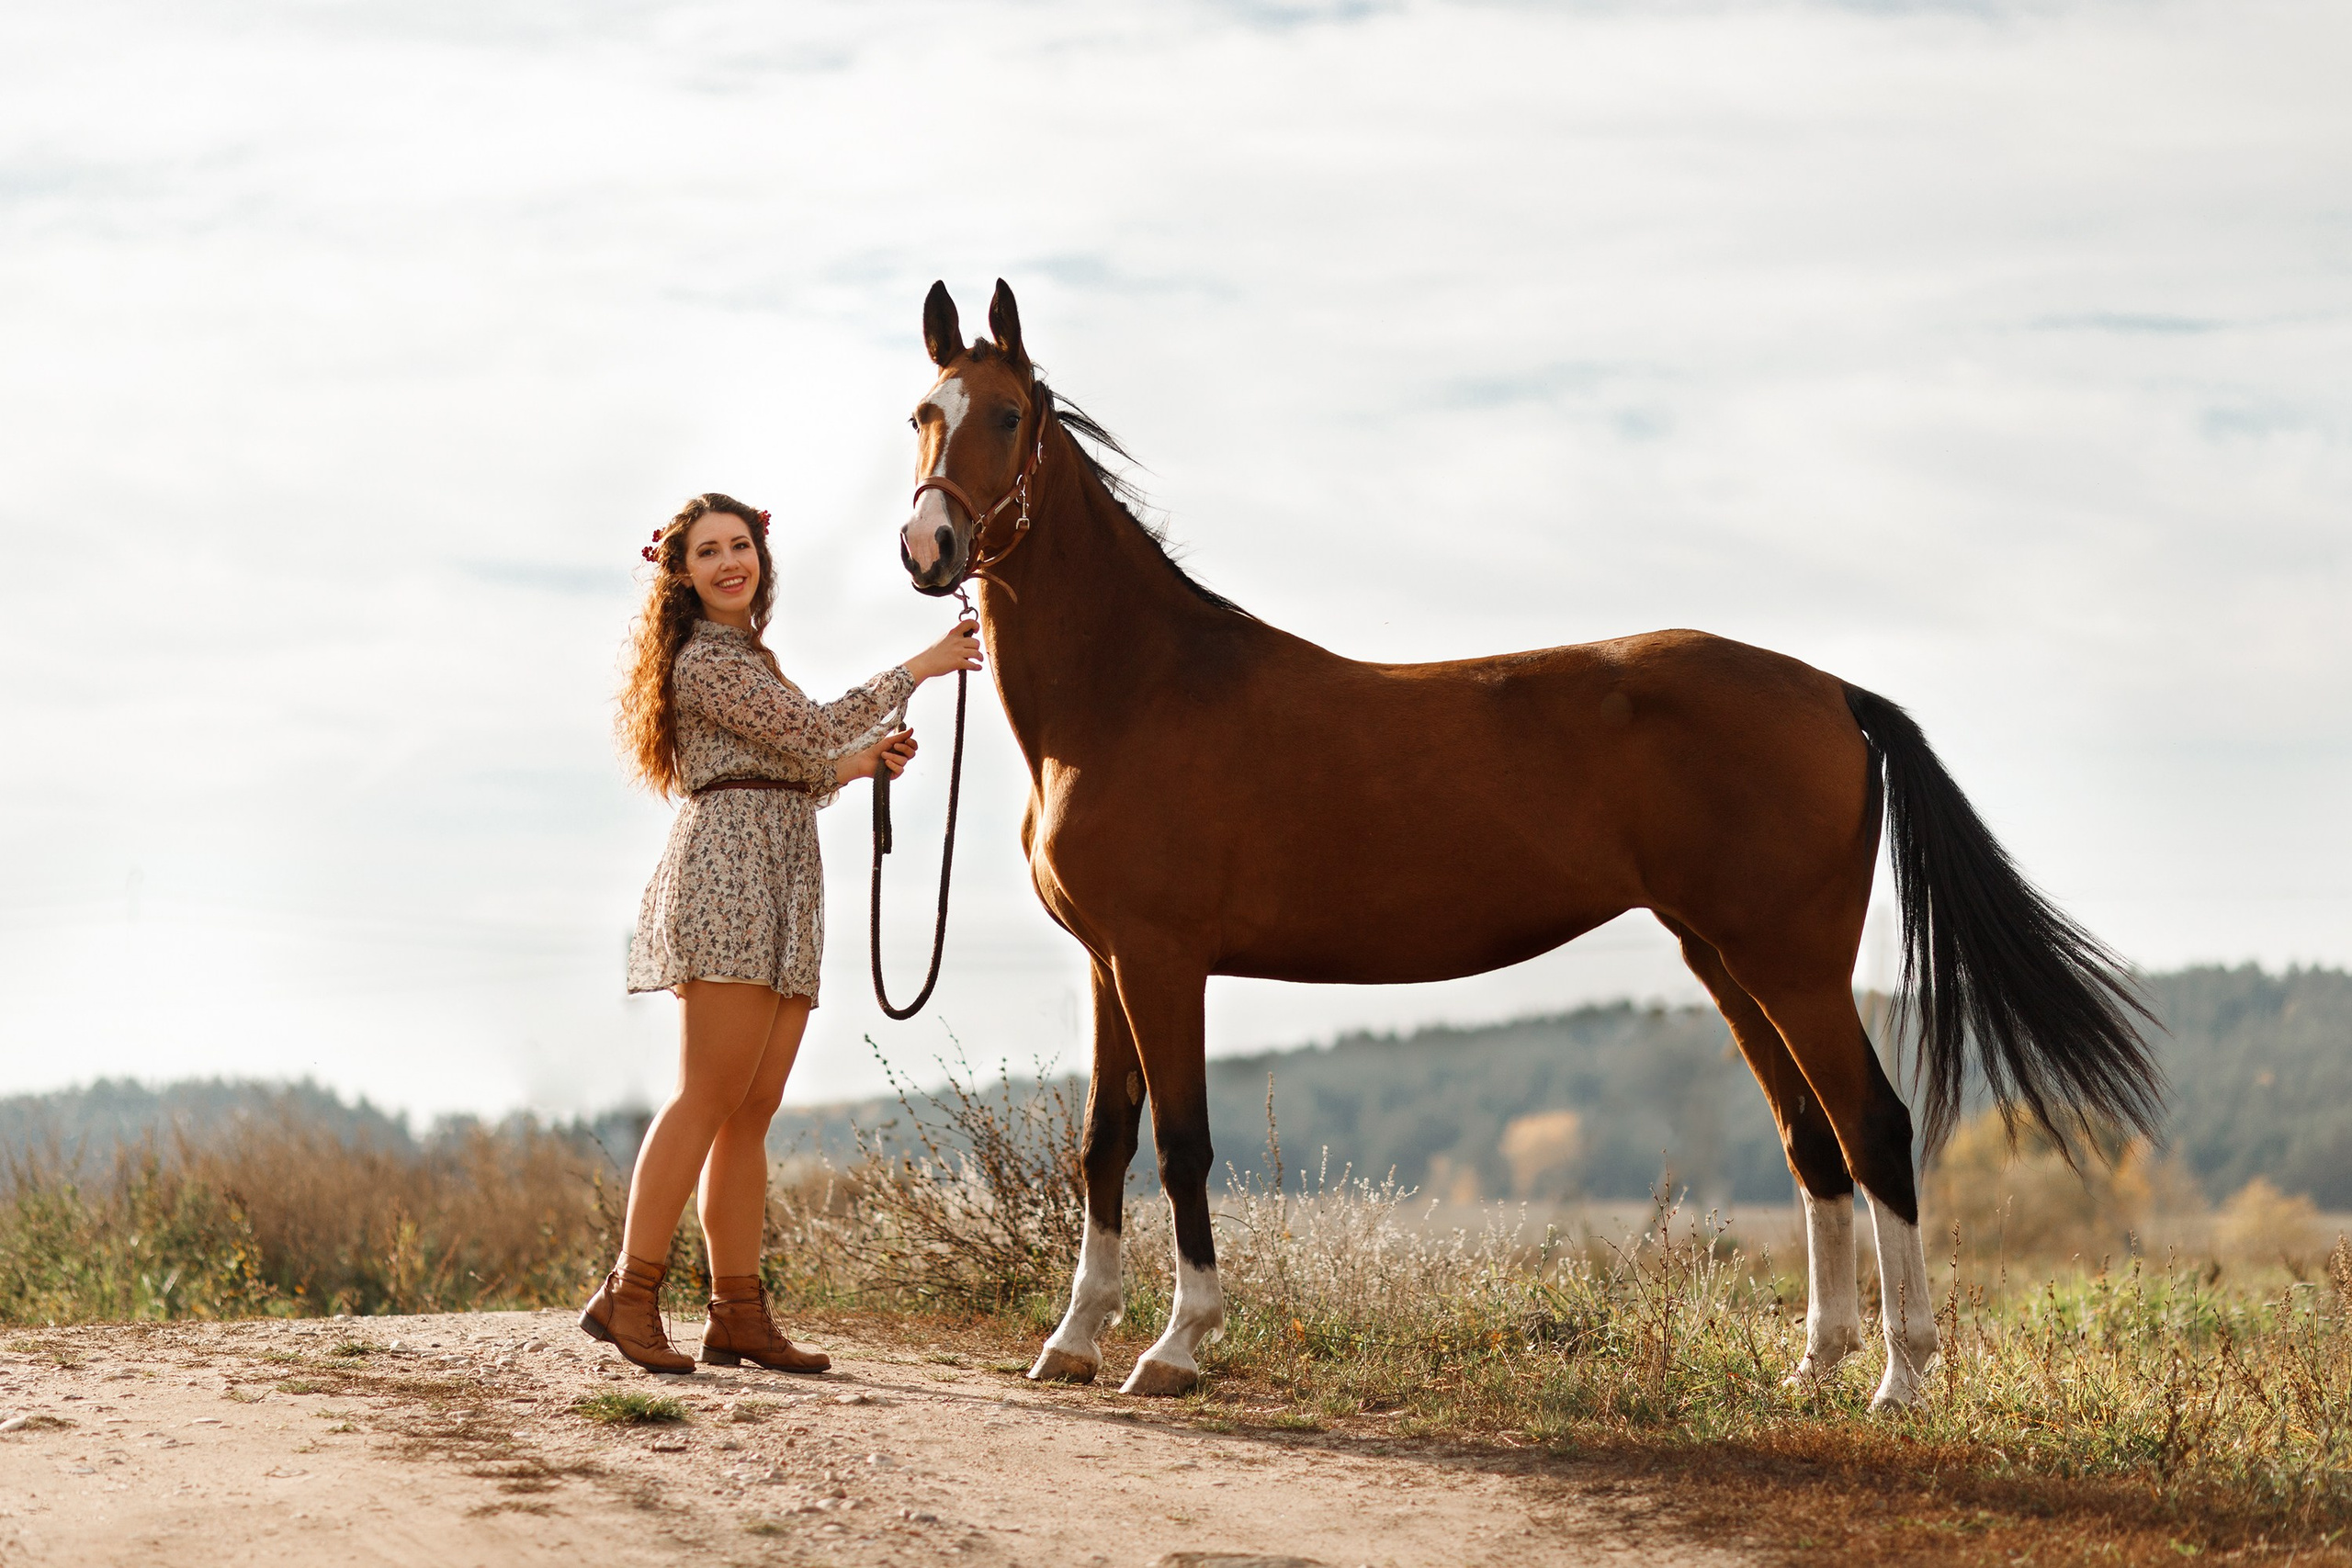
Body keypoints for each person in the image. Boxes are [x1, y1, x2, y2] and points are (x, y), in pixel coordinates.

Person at [586, 491, 981, 1374]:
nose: (731, 561)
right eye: (708, 552)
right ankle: (630, 1290)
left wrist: (861, 762)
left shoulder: (750, 659)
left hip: (782, 878)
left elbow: (798, 765)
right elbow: (808, 730)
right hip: (730, 879)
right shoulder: (704, 661)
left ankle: (738, 1311)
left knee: (751, 1110)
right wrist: (923, 665)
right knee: (707, 1095)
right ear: (681, 576)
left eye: (741, 546)